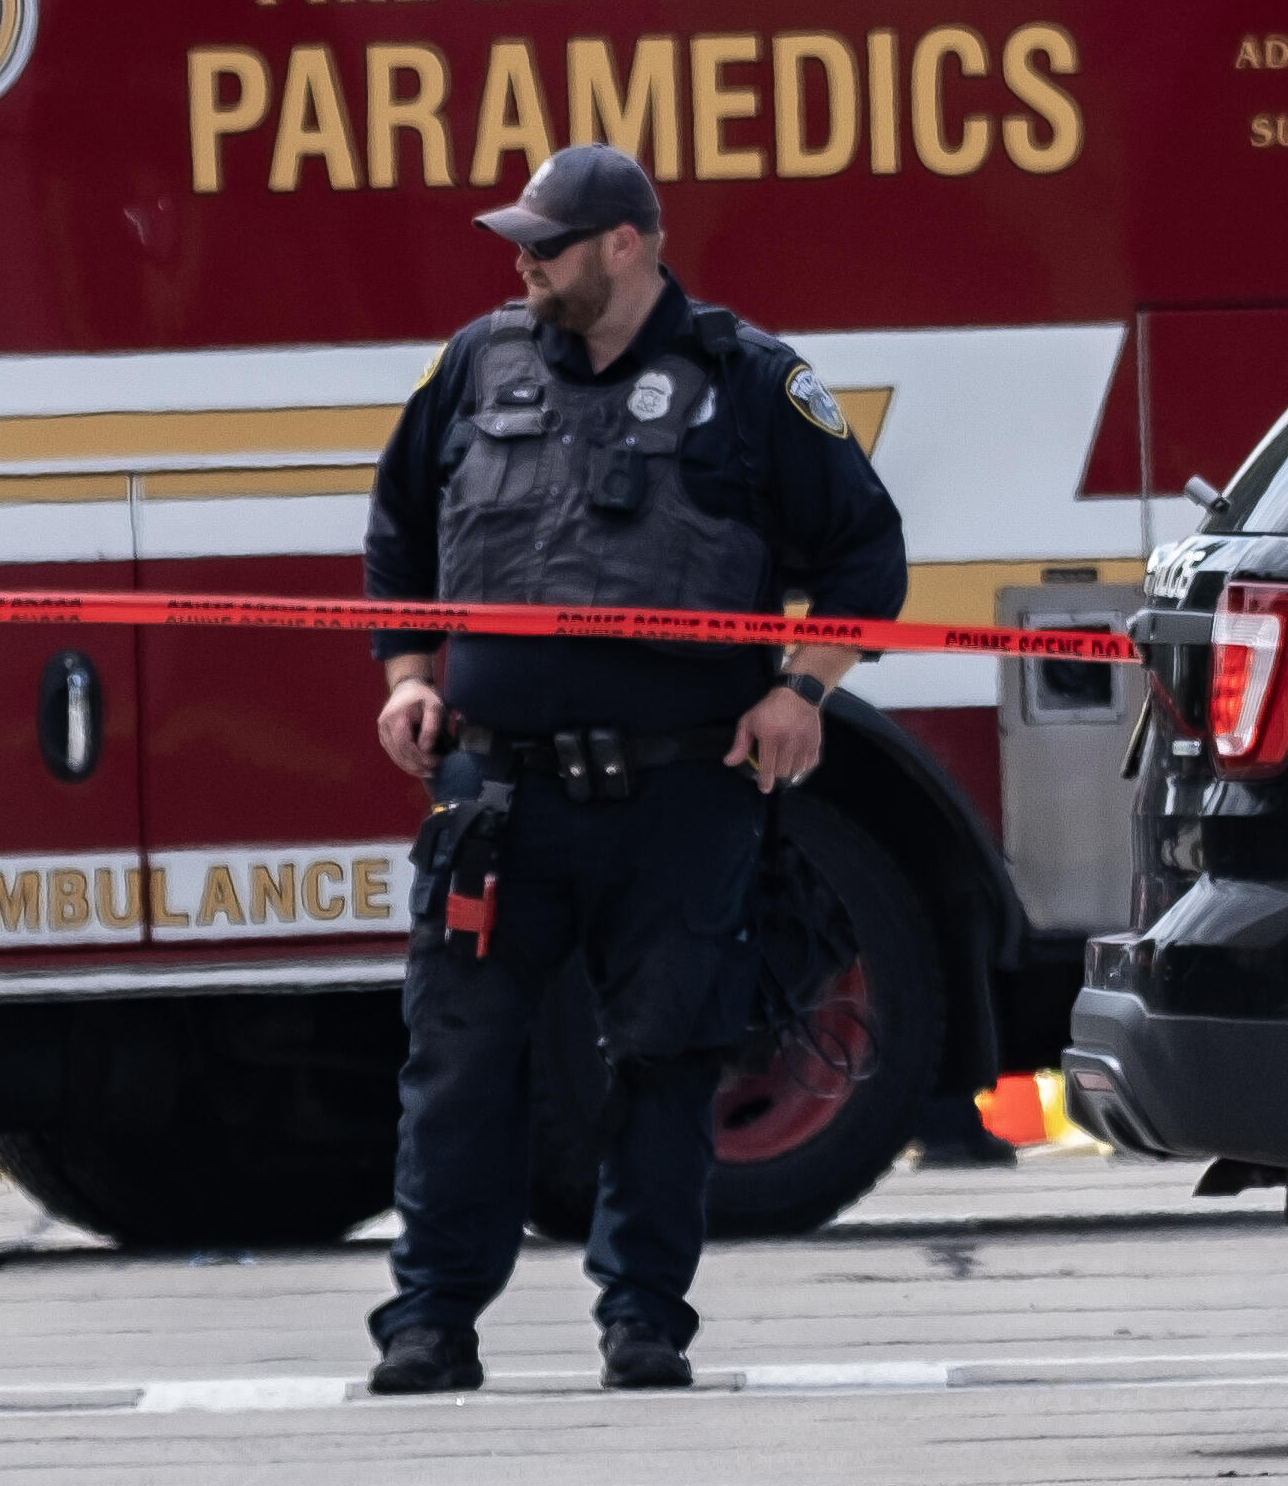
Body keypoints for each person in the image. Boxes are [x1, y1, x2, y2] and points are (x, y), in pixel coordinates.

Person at [358, 147, 908, 1394]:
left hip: (679, 798)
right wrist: (405, 676)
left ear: (625, 245)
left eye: (546, 243)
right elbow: (397, 527)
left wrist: (801, 687)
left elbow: (868, 559)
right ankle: (432, 1321)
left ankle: (643, 1317)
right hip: (497, 798)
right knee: (460, 1063)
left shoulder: (751, 381)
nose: (522, 262)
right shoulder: (473, 365)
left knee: (669, 1056)